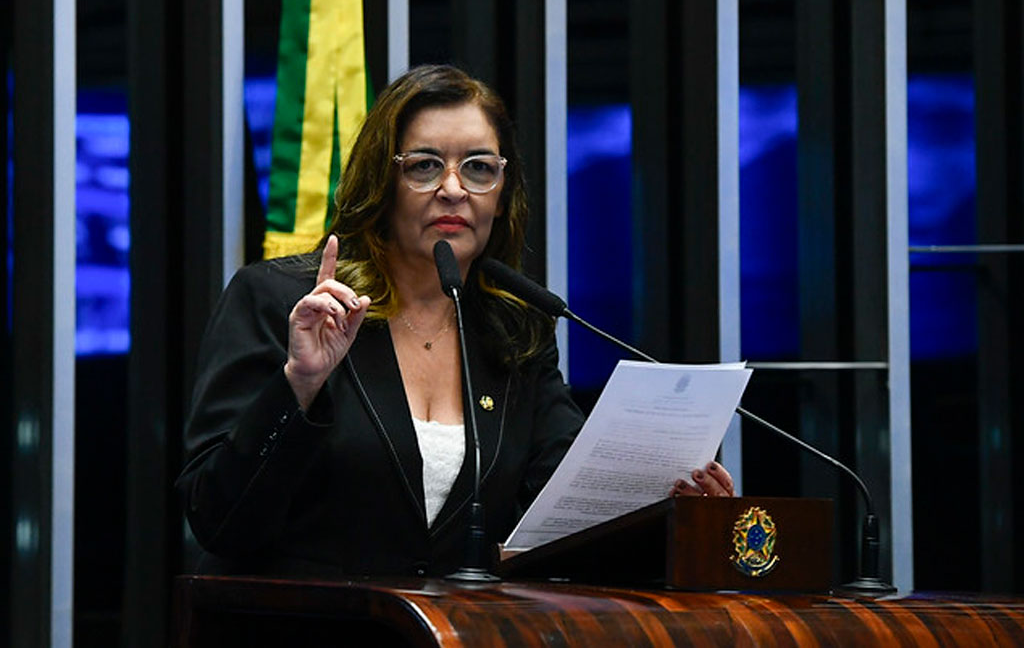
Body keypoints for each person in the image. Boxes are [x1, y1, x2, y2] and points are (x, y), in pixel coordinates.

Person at [176, 64, 733, 578]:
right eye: (423, 165)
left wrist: (669, 507)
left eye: (478, 168)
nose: (453, 188)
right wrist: (299, 384)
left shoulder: (512, 331)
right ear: (382, 183)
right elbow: (217, 519)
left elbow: (561, 517)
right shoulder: (284, 303)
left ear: (502, 191)